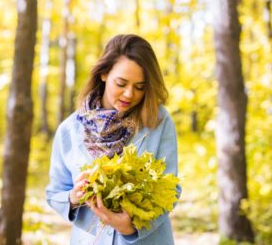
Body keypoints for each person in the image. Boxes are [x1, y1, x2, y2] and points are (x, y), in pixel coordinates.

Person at [46, 34, 181, 245]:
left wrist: (130, 227)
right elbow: (54, 193)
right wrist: (73, 196)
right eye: (121, 83)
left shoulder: (158, 122)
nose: (129, 94)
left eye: (139, 87)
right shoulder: (70, 130)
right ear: (104, 74)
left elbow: (171, 189)